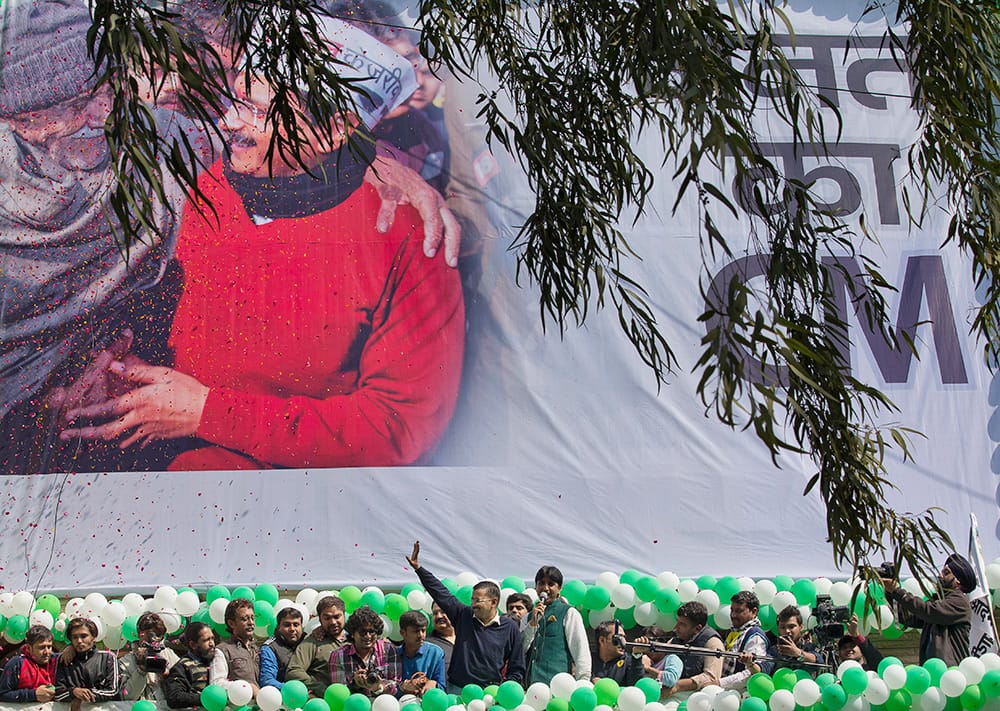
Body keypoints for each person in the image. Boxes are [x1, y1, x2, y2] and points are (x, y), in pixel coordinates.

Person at [1, 0, 461, 475]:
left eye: (104, 91)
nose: (101, 114)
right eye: (69, 107)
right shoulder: (204, 185)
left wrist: (205, 414)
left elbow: (400, 428)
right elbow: (180, 320)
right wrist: (118, 374)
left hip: (295, 512)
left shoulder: (404, 236)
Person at [406, 541, 525, 692]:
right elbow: (441, 593)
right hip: (457, 691)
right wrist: (418, 568)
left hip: (489, 694)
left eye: (478, 600)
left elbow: (516, 666)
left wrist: (503, 693)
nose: (473, 604)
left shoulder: (510, 627)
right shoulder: (464, 615)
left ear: (494, 602)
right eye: (472, 600)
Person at [883, 553, 975, 665]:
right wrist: (890, 592)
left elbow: (928, 611)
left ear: (958, 581)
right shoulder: (938, 602)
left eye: (946, 573)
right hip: (932, 670)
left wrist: (898, 591)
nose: (940, 576)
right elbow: (905, 618)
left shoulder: (959, 602)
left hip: (950, 673)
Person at [524, 566, 590, 683]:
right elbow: (521, 650)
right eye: (541, 583)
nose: (545, 588)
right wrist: (532, 624)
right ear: (536, 587)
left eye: (551, 584)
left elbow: (580, 650)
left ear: (559, 588)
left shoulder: (569, 613)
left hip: (558, 686)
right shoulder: (528, 616)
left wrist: (583, 682)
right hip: (531, 687)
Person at [329, 605, 402, 698]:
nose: (368, 636)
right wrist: (355, 684)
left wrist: (379, 687)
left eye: (372, 632)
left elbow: (396, 684)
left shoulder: (388, 650)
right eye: (362, 632)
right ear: (352, 633)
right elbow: (338, 693)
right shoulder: (338, 656)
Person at [660, 602, 724, 699]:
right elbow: (660, 659)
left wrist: (677, 686)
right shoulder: (676, 639)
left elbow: (711, 677)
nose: (675, 628)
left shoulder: (713, 643)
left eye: (682, 624)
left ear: (697, 628)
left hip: (696, 698)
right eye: (677, 621)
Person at [286, 596, 347, 696]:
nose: (333, 622)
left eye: (337, 617)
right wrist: (319, 687)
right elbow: (293, 671)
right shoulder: (312, 643)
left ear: (344, 615)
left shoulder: (355, 639)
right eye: (327, 618)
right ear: (320, 619)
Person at [54, 618, 124, 702]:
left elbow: (113, 691)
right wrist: (73, 692)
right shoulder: (64, 659)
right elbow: (57, 693)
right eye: (75, 637)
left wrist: (83, 695)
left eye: (84, 636)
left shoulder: (108, 658)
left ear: (94, 637)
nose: (79, 641)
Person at [121, 612, 180, 701]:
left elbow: (183, 686)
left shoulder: (169, 654)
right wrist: (141, 670)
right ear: (141, 633)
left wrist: (168, 675)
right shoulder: (125, 662)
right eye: (153, 634)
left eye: (159, 635)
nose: (156, 639)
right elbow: (126, 696)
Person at [751, 606, 822, 675]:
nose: (787, 631)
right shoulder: (774, 650)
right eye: (783, 627)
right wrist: (750, 664)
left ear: (801, 627)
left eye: (791, 627)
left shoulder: (808, 647)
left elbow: (819, 661)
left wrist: (798, 653)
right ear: (778, 629)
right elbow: (765, 667)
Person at [720, 591, 769, 691]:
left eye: (739, 611)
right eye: (732, 610)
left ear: (754, 612)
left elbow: (750, 674)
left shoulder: (755, 636)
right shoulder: (733, 631)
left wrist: (719, 683)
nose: (733, 615)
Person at [210, 599, 260, 694]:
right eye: (245, 619)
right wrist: (247, 687)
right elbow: (217, 684)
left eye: (252, 618)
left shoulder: (257, 649)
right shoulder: (222, 651)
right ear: (231, 623)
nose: (251, 623)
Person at [164, 622, 216, 709]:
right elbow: (174, 697)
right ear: (193, 645)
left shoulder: (217, 660)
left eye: (212, 639)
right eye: (206, 640)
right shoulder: (183, 667)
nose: (212, 644)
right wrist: (203, 698)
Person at [0, 625, 57, 702]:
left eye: (49, 647)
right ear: (29, 648)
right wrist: (33, 695)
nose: (46, 652)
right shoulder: (16, 664)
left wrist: (70, 649)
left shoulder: (57, 660)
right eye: (41, 647)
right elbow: (2, 694)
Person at [397, 610, 446, 698]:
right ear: (402, 633)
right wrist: (403, 688)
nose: (421, 635)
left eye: (423, 630)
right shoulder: (394, 654)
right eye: (416, 631)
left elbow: (442, 688)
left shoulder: (436, 653)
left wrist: (433, 684)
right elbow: (388, 689)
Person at [260, 606, 303, 690]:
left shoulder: (308, 642)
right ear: (278, 627)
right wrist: (293, 690)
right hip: (287, 698)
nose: (292, 629)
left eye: (296, 625)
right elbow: (267, 680)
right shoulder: (269, 648)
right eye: (287, 625)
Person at [591, 620, 643, 686]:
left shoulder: (629, 661)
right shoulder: (588, 660)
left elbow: (635, 686)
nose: (624, 642)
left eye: (624, 637)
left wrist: (637, 654)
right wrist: (590, 681)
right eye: (619, 637)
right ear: (602, 640)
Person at [636, 626, 683, 697]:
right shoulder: (643, 660)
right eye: (645, 643)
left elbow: (671, 680)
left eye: (652, 641)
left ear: (662, 642)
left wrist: (648, 668)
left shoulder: (672, 658)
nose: (649, 646)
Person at [425, 603, 456, 677]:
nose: (439, 616)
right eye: (435, 613)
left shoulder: (467, 637)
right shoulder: (427, 644)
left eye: (443, 611)